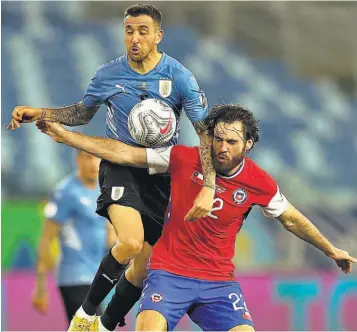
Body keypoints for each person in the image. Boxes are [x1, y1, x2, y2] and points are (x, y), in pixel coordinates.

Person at [36, 103, 357, 331]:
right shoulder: (184, 159)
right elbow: (124, 153)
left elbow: (292, 219)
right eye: (217, 138)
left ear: (249, 144)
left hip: (218, 282)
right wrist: (66, 136)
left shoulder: (260, 182)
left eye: (232, 141)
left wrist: (330, 249)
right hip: (168, 274)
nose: (222, 147)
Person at [7, 3, 216, 330]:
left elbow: (205, 133)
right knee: (130, 242)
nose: (134, 38)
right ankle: (85, 314)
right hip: (120, 167)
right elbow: (82, 113)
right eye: (129, 31)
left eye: (143, 31)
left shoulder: (179, 77)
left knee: (144, 266)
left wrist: (208, 186)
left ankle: (104, 324)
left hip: (162, 174)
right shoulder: (108, 74)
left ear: (158, 35)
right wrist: (42, 113)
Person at [32, 151, 116, 324]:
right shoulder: (66, 192)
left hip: (96, 277)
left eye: (97, 157)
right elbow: (47, 239)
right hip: (74, 276)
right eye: (87, 157)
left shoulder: (104, 190)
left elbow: (110, 238)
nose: (93, 163)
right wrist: (41, 286)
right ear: (78, 160)